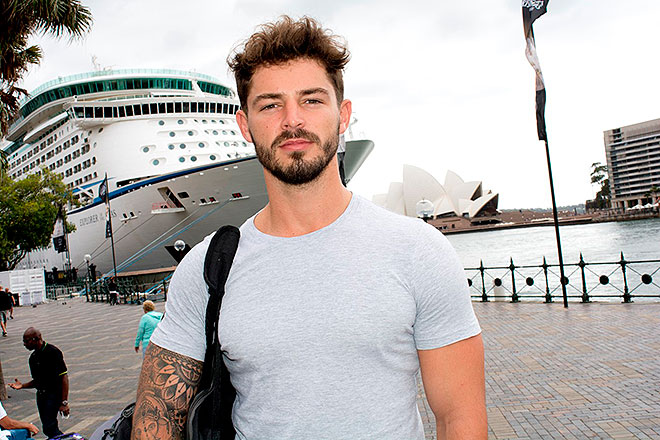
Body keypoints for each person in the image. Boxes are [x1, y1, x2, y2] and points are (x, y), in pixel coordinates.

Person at [132, 16, 486, 440]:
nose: (292, 120)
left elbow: (458, 418)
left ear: (343, 115)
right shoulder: (207, 268)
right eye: (270, 104)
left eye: (312, 100)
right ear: (246, 125)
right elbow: (157, 420)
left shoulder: (418, 252)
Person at [9, 327, 69, 438]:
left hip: (53, 395)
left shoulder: (53, 352)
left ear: (36, 339)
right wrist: (22, 386)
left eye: (26, 341)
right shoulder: (33, 357)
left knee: (50, 427)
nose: (24, 344)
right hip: (42, 396)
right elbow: (37, 382)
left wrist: (64, 402)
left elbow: (64, 377)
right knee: (48, 428)